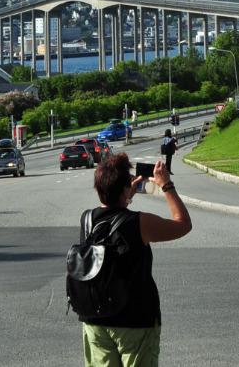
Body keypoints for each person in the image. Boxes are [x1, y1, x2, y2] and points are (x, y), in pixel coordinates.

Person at [77, 152, 193, 366]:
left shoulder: (87, 220)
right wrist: (166, 185)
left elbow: (113, 215)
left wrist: (124, 197)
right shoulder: (140, 223)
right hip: (135, 320)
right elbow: (183, 224)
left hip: (95, 320)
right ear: (125, 188)